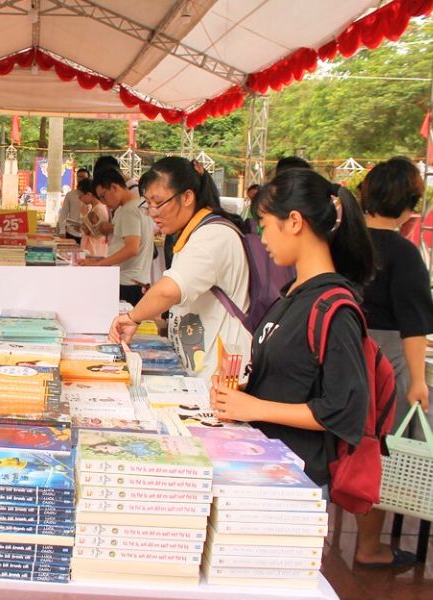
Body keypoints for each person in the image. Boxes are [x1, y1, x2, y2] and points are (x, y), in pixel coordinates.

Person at [208, 170, 396, 563]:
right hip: (265, 471)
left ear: (294, 221)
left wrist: (254, 408)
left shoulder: (334, 307)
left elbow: (345, 409)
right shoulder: (293, 294)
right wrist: (245, 395)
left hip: (297, 482)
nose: (262, 239)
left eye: (265, 225)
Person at [108, 157, 251, 379]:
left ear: (187, 197)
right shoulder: (196, 233)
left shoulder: (213, 236)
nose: (153, 212)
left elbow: (169, 290)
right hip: (203, 372)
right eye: (148, 203)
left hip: (219, 379)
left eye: (159, 202)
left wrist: (131, 317)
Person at [355, 157, 432, 568]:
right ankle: (369, 548)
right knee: (379, 451)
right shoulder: (404, 253)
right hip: (385, 363)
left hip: (339, 352)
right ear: (408, 204)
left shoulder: (344, 243)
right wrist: (418, 382)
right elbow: (414, 324)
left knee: (343, 443)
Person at [82, 169, 153, 305]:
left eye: (103, 196)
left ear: (114, 187)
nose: (103, 202)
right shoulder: (138, 205)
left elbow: (132, 249)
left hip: (127, 282)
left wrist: (100, 264)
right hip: (136, 280)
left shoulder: (129, 210)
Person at [57, 167, 90, 243]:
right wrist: (62, 231)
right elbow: (63, 213)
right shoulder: (70, 195)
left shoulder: (93, 196)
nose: (81, 179)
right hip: (71, 233)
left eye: (83, 177)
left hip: (86, 234)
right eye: (79, 177)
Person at [78, 179, 109, 257]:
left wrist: (84, 215)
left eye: (81, 196)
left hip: (94, 249)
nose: (79, 199)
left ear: (89, 194)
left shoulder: (98, 209)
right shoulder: (95, 207)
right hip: (92, 248)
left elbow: (91, 231)